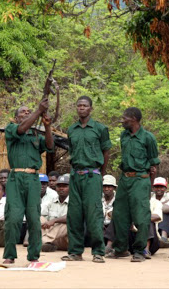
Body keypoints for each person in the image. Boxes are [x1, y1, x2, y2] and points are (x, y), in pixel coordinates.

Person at [1, 99, 54, 267]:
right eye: (23, 112)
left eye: (28, 111)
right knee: (13, 218)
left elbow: (51, 146)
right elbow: (21, 129)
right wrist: (38, 111)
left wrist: (46, 126)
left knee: (34, 218)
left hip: (33, 179)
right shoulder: (11, 129)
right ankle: (9, 255)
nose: (27, 113)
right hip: (16, 178)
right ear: (16, 118)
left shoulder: (36, 134)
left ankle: (33, 256)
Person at [62, 96, 111, 263]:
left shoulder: (100, 128)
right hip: (75, 175)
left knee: (94, 214)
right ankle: (75, 252)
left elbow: (106, 152)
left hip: (93, 175)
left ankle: (98, 251)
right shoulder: (72, 129)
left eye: (85, 106)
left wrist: (100, 174)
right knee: (74, 214)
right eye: (79, 106)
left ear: (91, 109)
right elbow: (72, 150)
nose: (81, 108)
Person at [108, 107, 159, 263]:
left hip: (140, 179)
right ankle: (121, 249)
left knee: (141, 217)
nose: (122, 121)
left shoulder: (148, 138)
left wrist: (149, 186)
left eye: (125, 118)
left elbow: (154, 165)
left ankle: (139, 251)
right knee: (119, 214)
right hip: (124, 179)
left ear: (134, 119)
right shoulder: (124, 135)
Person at [105, 190, 163, 260]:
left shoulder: (155, 202)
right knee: (117, 218)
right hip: (129, 237)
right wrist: (126, 219)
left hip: (150, 239)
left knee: (147, 219)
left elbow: (157, 216)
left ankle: (145, 250)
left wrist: (136, 218)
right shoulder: (128, 201)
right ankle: (109, 247)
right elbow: (110, 213)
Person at [41, 175, 70, 252]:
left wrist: (54, 221)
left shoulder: (74, 201)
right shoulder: (51, 201)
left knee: (67, 223)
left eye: (65, 186)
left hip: (66, 240)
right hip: (53, 238)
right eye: (59, 186)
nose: (61, 188)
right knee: (39, 218)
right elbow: (42, 216)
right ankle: (47, 242)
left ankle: (43, 241)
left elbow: (72, 217)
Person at [102, 175, 117, 252]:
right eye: (104, 186)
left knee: (115, 219)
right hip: (101, 227)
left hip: (114, 228)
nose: (106, 189)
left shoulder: (119, 199)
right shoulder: (98, 198)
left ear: (114, 188)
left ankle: (109, 245)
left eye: (109, 186)